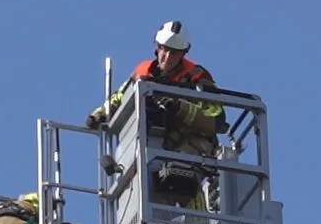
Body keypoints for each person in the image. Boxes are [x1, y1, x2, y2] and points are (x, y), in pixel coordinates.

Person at [85, 20, 226, 209]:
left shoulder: (197, 77)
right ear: (157, 47)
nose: (167, 57)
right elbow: (120, 97)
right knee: (151, 182)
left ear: (183, 54)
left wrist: (179, 108)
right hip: (155, 144)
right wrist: (100, 114)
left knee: (182, 176)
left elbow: (216, 119)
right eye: (164, 50)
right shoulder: (142, 72)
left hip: (191, 142)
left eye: (174, 53)